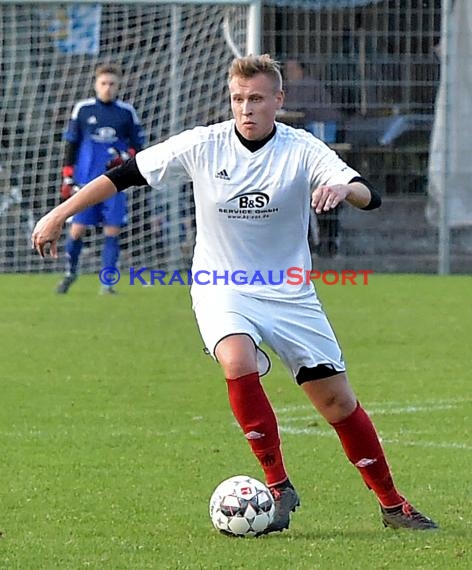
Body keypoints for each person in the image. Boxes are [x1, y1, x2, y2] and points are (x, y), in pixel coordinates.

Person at [32, 54, 437, 533]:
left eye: (257, 99)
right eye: (238, 99)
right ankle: (278, 485)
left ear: (278, 101)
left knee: (337, 404)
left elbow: (369, 193)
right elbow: (124, 174)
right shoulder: (204, 144)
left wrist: (342, 189)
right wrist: (60, 213)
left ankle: (393, 505)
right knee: (237, 360)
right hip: (220, 285)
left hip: (289, 292)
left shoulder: (301, 148)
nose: (246, 108)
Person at [56, 62, 145, 294]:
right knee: (77, 229)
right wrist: (67, 177)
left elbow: (138, 147)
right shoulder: (83, 110)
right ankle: (70, 271)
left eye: (112, 84)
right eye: (103, 83)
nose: (108, 88)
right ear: (96, 84)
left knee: (112, 230)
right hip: (85, 181)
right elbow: (71, 144)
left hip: (116, 183)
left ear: (119, 86)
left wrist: (124, 157)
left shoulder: (126, 113)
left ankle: (107, 282)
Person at [283, 59, 343, 258]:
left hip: (321, 130)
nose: (289, 72)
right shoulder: (290, 87)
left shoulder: (306, 85)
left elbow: (297, 108)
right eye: (287, 69)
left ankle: (325, 243)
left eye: (293, 68)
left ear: (302, 70)